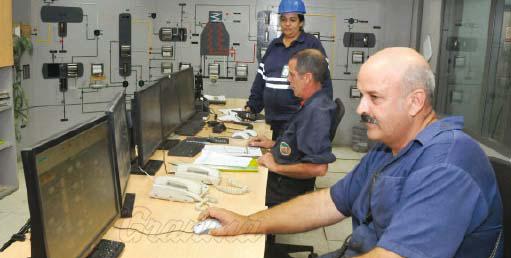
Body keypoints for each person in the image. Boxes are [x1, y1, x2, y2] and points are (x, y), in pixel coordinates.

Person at [201, 47, 504, 258]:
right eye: (361, 96)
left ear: (415, 102)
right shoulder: (390, 147)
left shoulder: (447, 167)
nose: (360, 108)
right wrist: (247, 222)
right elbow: (328, 202)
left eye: (374, 97)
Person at [250, 48, 335, 207]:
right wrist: (273, 144)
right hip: (281, 174)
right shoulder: (311, 102)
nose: (288, 80)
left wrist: (275, 166)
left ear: (307, 78)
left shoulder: (316, 112)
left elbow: (319, 168)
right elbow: (298, 144)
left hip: (283, 186)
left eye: (292, 74)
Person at [245, 0, 333, 141]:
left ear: (301, 22)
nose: (287, 24)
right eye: (284, 19)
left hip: (300, 120)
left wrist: (322, 114)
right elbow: (260, 79)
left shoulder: (311, 44)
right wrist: (252, 107)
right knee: (277, 155)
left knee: (290, 159)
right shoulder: (274, 45)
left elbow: (324, 81)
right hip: (276, 120)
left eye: (292, 20)